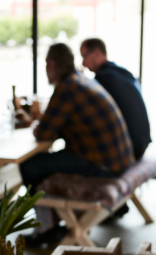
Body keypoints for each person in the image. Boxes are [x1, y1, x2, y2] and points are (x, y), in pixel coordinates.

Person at [20, 43, 135, 191]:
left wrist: (38, 125)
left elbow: (43, 133)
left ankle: (47, 211)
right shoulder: (81, 79)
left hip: (105, 166)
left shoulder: (66, 87)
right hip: (121, 159)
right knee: (49, 160)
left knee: (29, 166)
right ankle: (54, 209)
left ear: (51, 64)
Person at [80, 38, 151, 160]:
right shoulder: (121, 72)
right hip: (142, 143)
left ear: (97, 52)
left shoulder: (103, 78)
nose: (83, 64)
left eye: (84, 56)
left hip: (129, 149)